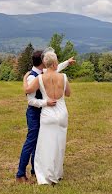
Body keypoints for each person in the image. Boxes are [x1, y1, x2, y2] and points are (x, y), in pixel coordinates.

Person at [15, 48, 74, 183]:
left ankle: (36, 170)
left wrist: (67, 62)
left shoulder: (43, 73)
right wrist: (45, 102)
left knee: (40, 143)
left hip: (45, 112)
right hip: (35, 113)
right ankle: (20, 173)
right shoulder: (31, 77)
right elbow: (30, 100)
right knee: (31, 142)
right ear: (43, 62)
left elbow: (55, 68)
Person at [33, 48, 72, 185]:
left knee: (46, 144)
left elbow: (28, 90)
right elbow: (68, 93)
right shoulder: (63, 77)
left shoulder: (40, 78)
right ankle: (57, 173)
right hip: (62, 113)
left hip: (48, 113)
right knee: (59, 144)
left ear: (45, 63)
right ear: (55, 63)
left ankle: (46, 175)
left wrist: (25, 79)